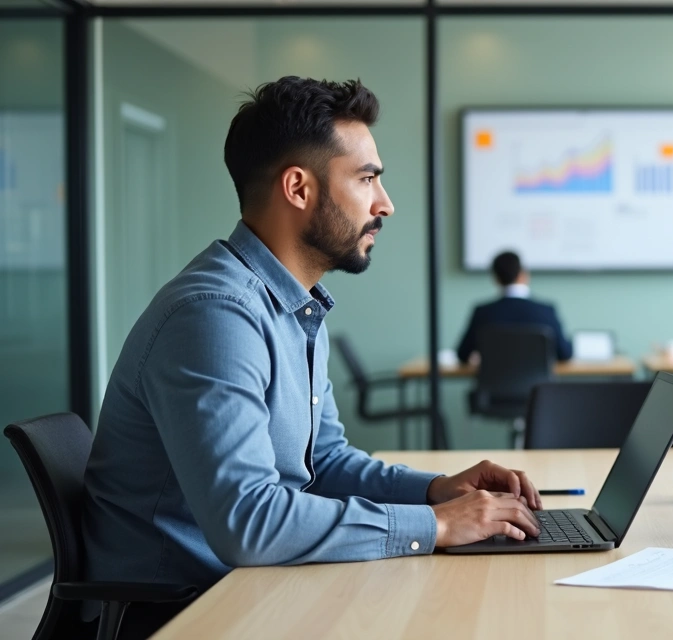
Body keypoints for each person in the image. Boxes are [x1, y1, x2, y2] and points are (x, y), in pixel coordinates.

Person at [82, 77, 543, 636]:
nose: (385, 204)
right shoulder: (214, 315)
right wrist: (434, 525)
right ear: (298, 189)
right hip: (186, 612)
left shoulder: (293, 307)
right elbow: (247, 522)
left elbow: (321, 464)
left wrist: (435, 491)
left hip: (255, 588)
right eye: (367, 178)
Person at [456, 250, 573, 363]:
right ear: (523, 275)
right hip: (538, 383)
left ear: (496, 279)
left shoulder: (482, 313)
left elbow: (462, 354)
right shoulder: (546, 311)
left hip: (493, 383)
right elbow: (565, 354)